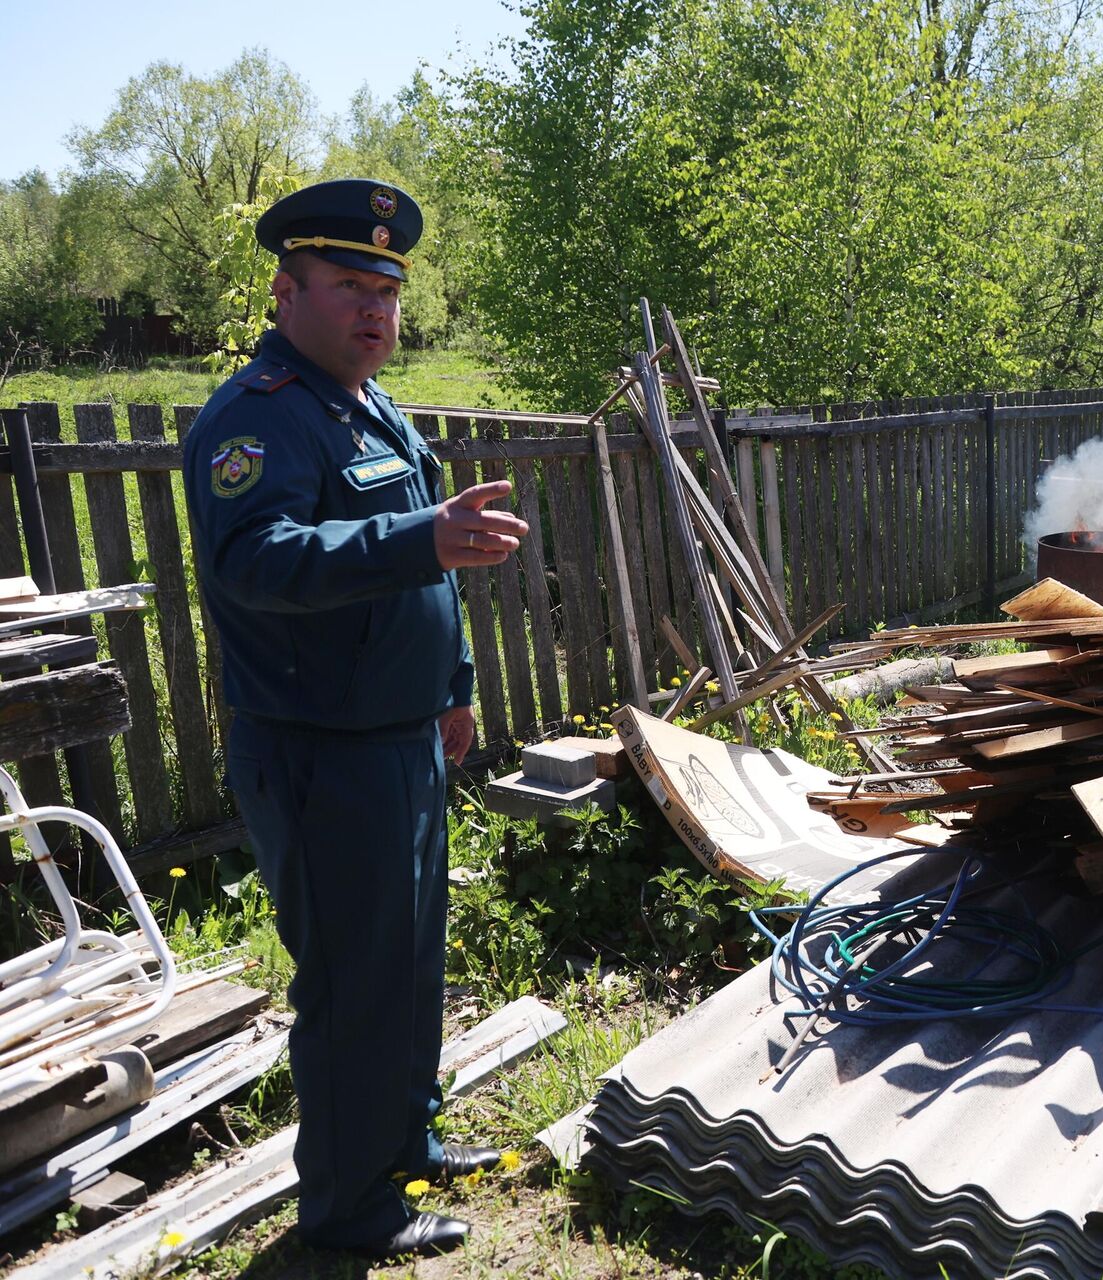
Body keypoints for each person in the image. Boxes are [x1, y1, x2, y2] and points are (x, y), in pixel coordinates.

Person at [183, 179, 528, 1258]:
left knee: (408, 959)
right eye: (347, 285)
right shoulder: (258, 416)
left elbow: (434, 576)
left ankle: (406, 1141)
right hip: (319, 754)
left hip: (403, 737)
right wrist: (413, 540)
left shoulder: (373, 407)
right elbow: (255, 562)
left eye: (386, 288)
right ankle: (346, 1209)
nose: (374, 308)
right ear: (287, 291)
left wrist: (456, 679)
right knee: (350, 983)